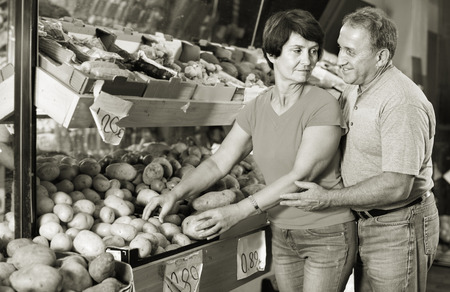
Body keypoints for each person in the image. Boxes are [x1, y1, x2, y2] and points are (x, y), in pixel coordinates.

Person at [142, 9, 357, 292]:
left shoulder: (323, 104)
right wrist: (174, 193)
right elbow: (218, 163)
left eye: (313, 51)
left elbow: (300, 177)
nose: (307, 61)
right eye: (297, 51)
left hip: (325, 235)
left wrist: (238, 211)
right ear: (272, 54)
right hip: (281, 232)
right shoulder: (258, 107)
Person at [280, 7, 439, 292]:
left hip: (397, 226)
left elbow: (397, 185)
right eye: (340, 48)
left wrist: (328, 198)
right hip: (362, 220)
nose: (340, 59)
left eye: (350, 52)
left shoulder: (401, 102)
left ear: (381, 57)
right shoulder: (356, 87)